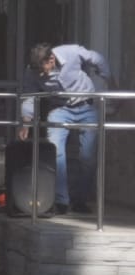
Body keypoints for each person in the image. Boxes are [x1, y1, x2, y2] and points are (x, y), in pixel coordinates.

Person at [17, 42, 113, 215]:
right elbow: (30, 94)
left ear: (51, 59)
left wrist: (107, 78)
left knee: (88, 157)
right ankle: (61, 201)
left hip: (86, 105)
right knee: (56, 153)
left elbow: (96, 58)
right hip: (59, 109)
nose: (41, 75)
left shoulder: (71, 52)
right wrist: (26, 123)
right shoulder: (32, 70)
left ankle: (80, 200)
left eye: (43, 70)